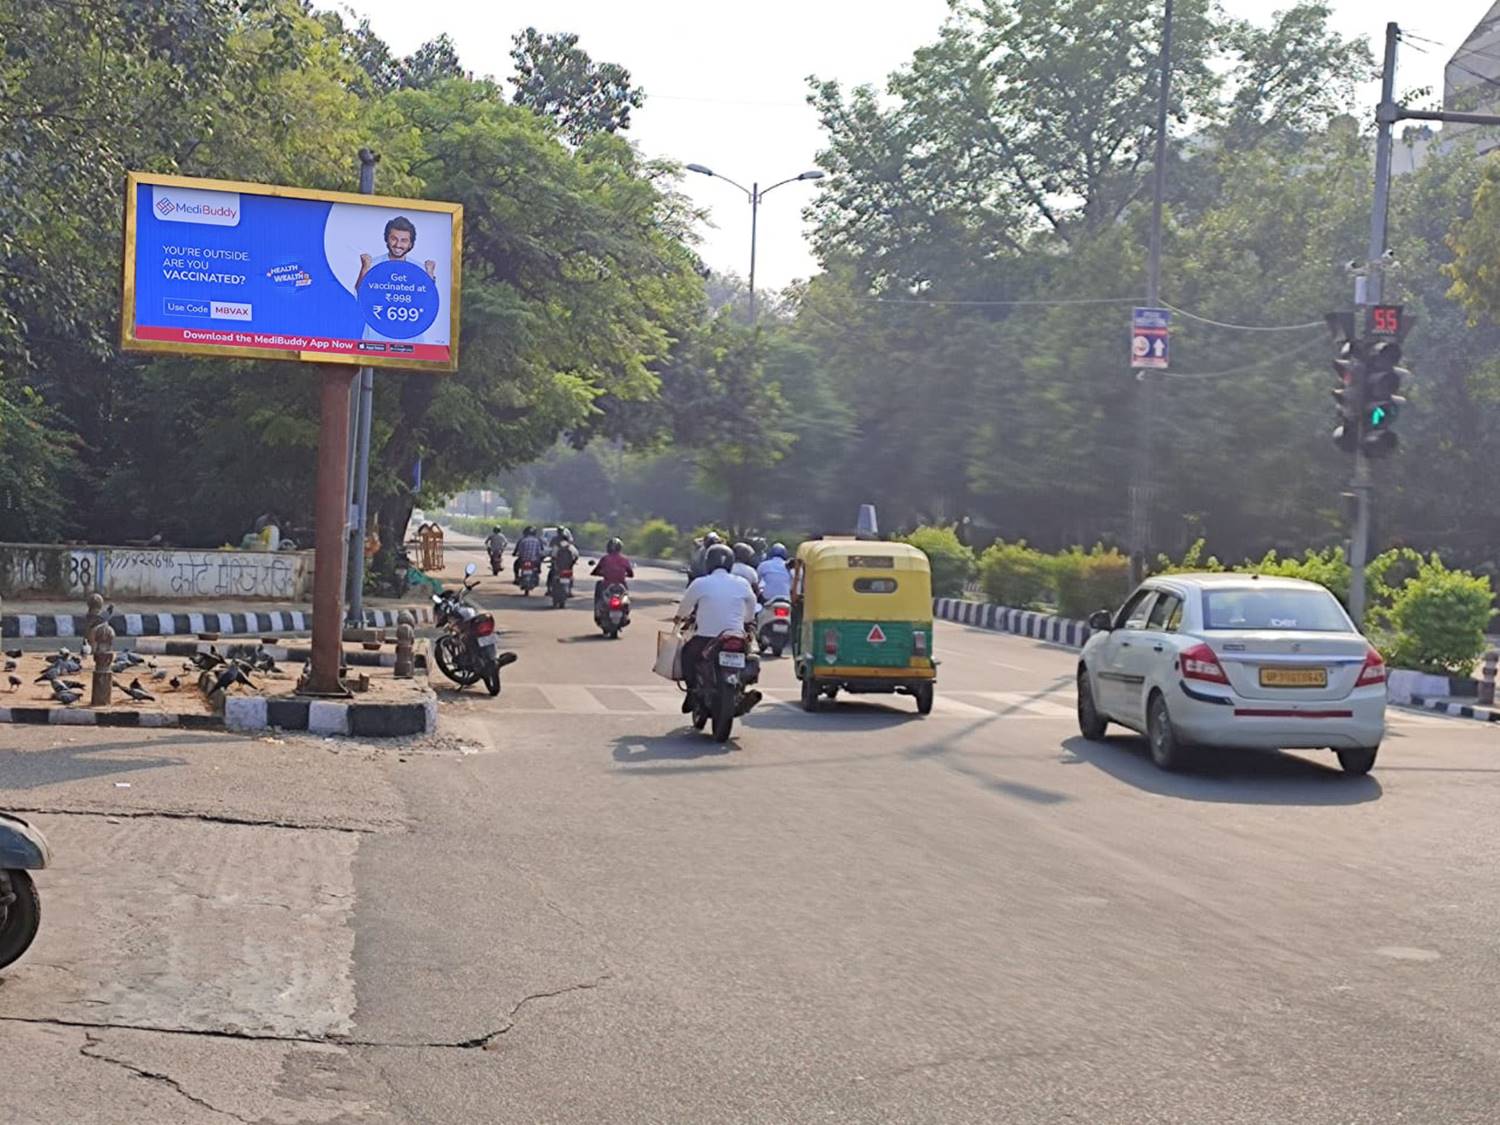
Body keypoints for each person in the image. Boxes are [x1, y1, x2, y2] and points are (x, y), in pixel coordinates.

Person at [675, 544, 759, 713]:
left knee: (686, 655)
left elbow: (685, 607)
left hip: (705, 638)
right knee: (749, 655)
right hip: (736, 636)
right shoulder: (742, 583)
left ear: (708, 563)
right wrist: (746, 621)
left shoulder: (700, 583)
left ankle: (691, 691)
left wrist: (680, 618)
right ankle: (740, 690)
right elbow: (752, 607)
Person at [356, 215, 437, 289]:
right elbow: (359, 293)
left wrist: (430, 275)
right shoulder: (372, 265)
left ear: (410, 244)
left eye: (404, 240)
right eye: (394, 239)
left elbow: (428, 298)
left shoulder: (420, 270)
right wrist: (365, 269)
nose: (398, 244)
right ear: (387, 239)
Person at [592, 537, 635, 603]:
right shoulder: (624, 559)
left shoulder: (605, 559)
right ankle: (626, 607)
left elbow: (595, 571)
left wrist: (602, 573)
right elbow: (631, 574)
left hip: (607, 585)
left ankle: (597, 607)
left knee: (599, 585)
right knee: (625, 594)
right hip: (621, 585)